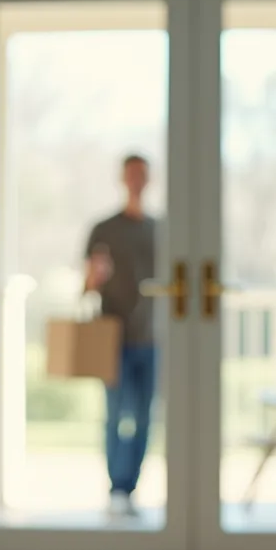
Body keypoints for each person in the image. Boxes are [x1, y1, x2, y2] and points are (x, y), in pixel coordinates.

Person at [84, 154, 158, 518]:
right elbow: (87, 285)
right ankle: (116, 489)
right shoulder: (104, 229)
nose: (136, 180)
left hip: (153, 337)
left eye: (141, 174)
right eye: (131, 174)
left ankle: (131, 489)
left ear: (149, 179)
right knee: (115, 416)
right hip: (114, 338)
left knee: (143, 417)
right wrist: (96, 275)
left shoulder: (161, 229)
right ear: (122, 178)